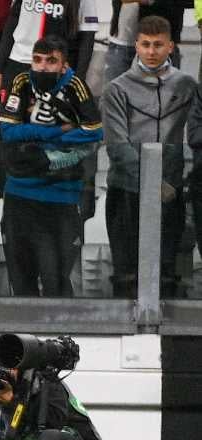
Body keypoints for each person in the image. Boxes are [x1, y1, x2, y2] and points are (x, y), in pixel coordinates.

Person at [0, 36, 102, 297]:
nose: (42, 67)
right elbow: (7, 130)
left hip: (62, 196)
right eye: (37, 60)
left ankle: (61, 336)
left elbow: (93, 131)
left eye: (51, 61)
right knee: (21, 281)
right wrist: (55, 132)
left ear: (63, 65)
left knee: (56, 279)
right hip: (19, 193)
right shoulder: (21, 81)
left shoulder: (76, 85)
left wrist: (35, 138)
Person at [103, 16, 194, 299]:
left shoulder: (187, 86)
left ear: (171, 46)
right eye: (145, 44)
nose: (151, 51)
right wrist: (153, 185)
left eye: (158, 45)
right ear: (136, 46)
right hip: (126, 193)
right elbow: (117, 147)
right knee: (127, 275)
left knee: (167, 274)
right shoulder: (117, 88)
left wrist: (177, 183)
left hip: (171, 193)